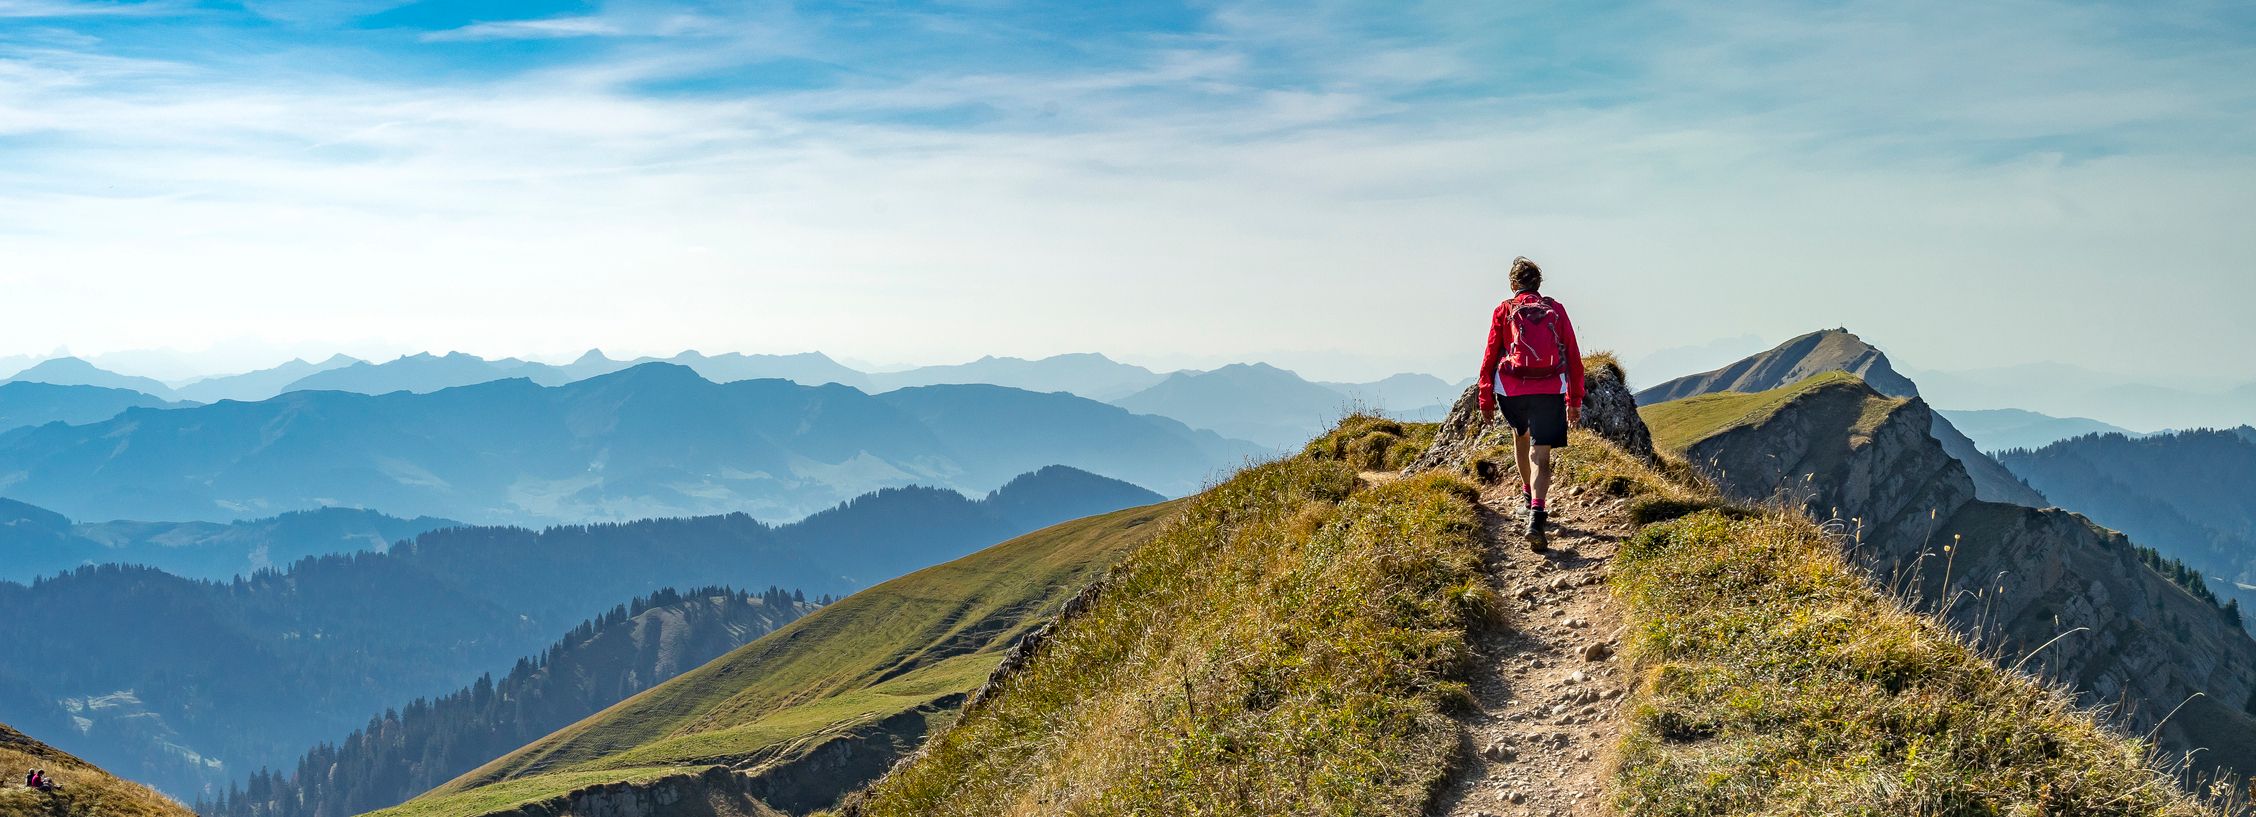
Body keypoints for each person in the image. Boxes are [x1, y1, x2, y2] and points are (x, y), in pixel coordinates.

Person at [1474, 256, 1585, 546]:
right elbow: (1573, 357)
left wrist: (1485, 397)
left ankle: (1526, 494)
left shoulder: (1504, 310)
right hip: (1550, 388)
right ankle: (1537, 514)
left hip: (1511, 389)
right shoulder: (1555, 310)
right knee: (1542, 455)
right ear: (1539, 284)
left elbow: (1490, 356)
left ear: (1513, 284)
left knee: (1520, 437)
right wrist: (1574, 399)